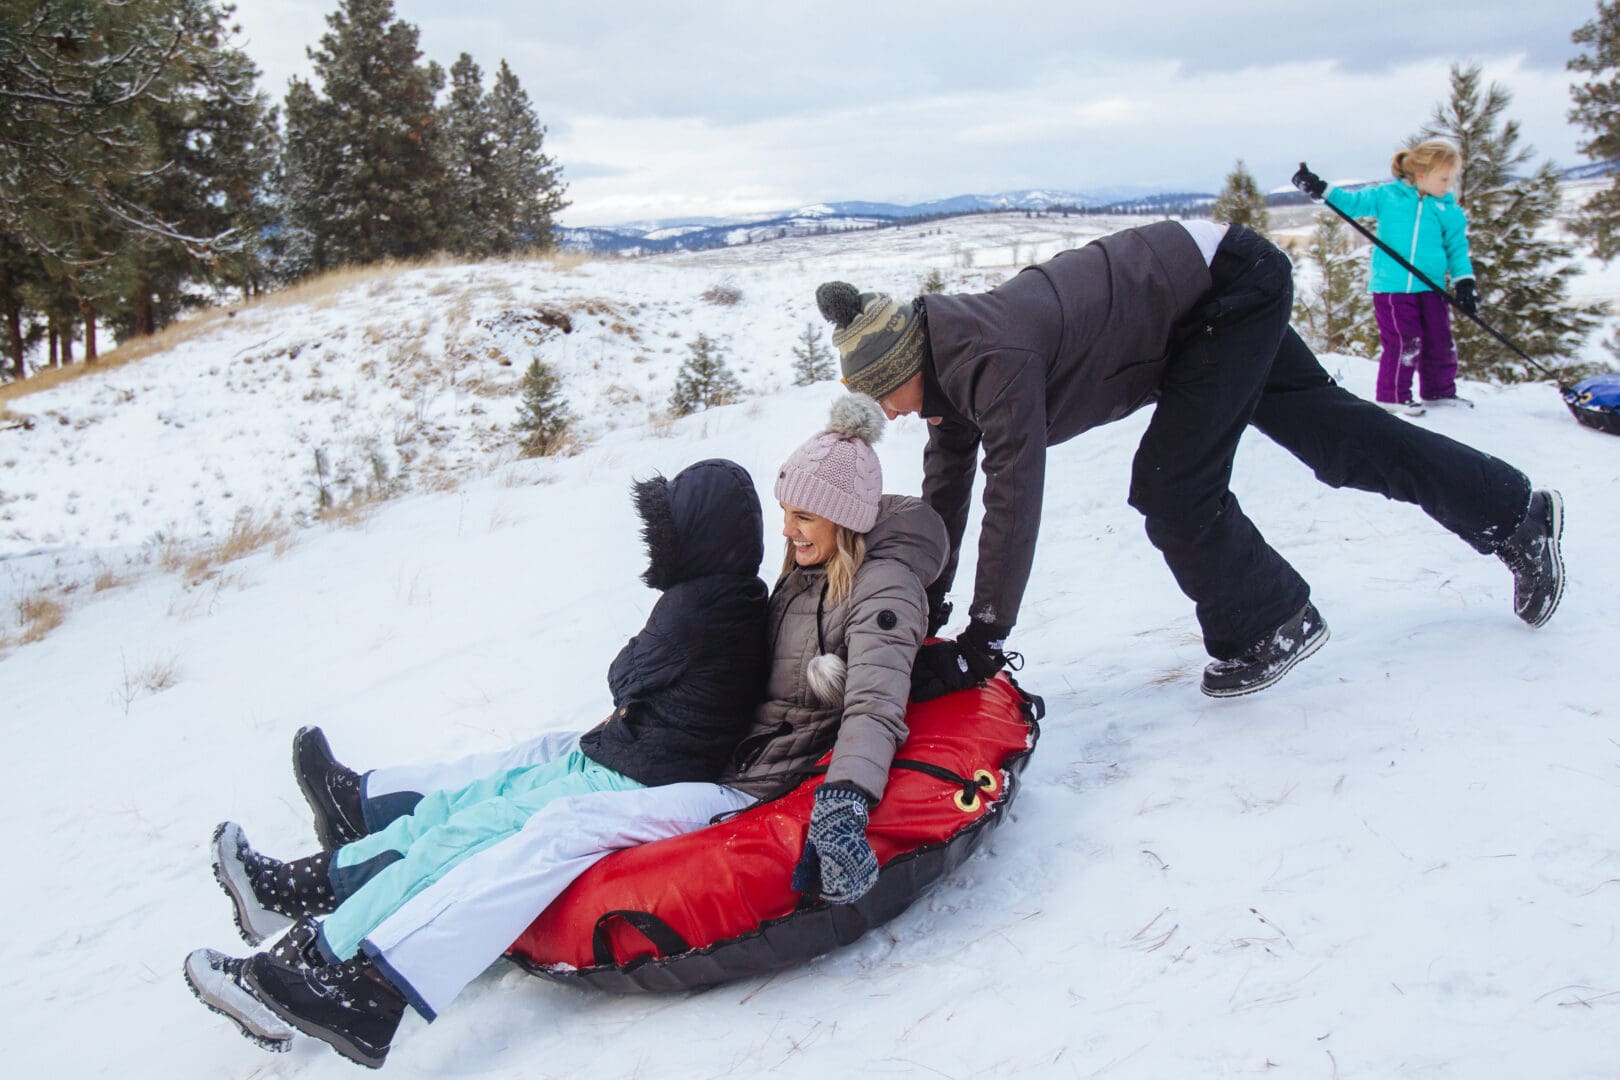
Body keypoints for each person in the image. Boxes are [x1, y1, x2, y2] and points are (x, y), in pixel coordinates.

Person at [186, 398, 948, 1068]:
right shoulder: (803, 573)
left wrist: (845, 802)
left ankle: (365, 989)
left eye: (804, 516)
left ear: (845, 520)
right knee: (534, 764)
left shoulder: (875, 591)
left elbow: (874, 704)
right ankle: (355, 843)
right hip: (706, 760)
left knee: (551, 828)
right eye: (785, 512)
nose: (789, 530)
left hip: (736, 788)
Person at [814, 217, 1564, 702]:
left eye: (889, 395)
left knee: (1174, 486)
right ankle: (1516, 513)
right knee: (1339, 439)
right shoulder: (947, 370)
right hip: (1190, 310)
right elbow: (948, 489)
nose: (893, 411)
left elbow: (1015, 490)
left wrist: (985, 636)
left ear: (908, 362)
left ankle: (1272, 620)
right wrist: (928, 599)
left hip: (1227, 288)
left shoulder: (991, 357)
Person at [186, 457, 771, 1066]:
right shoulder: (730, 596)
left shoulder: (697, 606)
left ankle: (318, 962)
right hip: (619, 757)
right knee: (450, 818)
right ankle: (296, 894)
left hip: (624, 776)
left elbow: (623, 674)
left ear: (699, 531)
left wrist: (631, 688)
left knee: (456, 840)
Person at [1294, 143, 1476, 416]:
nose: (1449, 185)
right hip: (1393, 287)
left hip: (1431, 287)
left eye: (1452, 178)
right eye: (1444, 178)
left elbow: (1457, 249)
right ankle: (1393, 395)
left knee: (1440, 339)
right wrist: (1320, 188)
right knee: (1405, 340)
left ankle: (1439, 391)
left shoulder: (1448, 210)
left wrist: (1465, 283)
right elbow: (1352, 203)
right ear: (1420, 173)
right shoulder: (1388, 196)